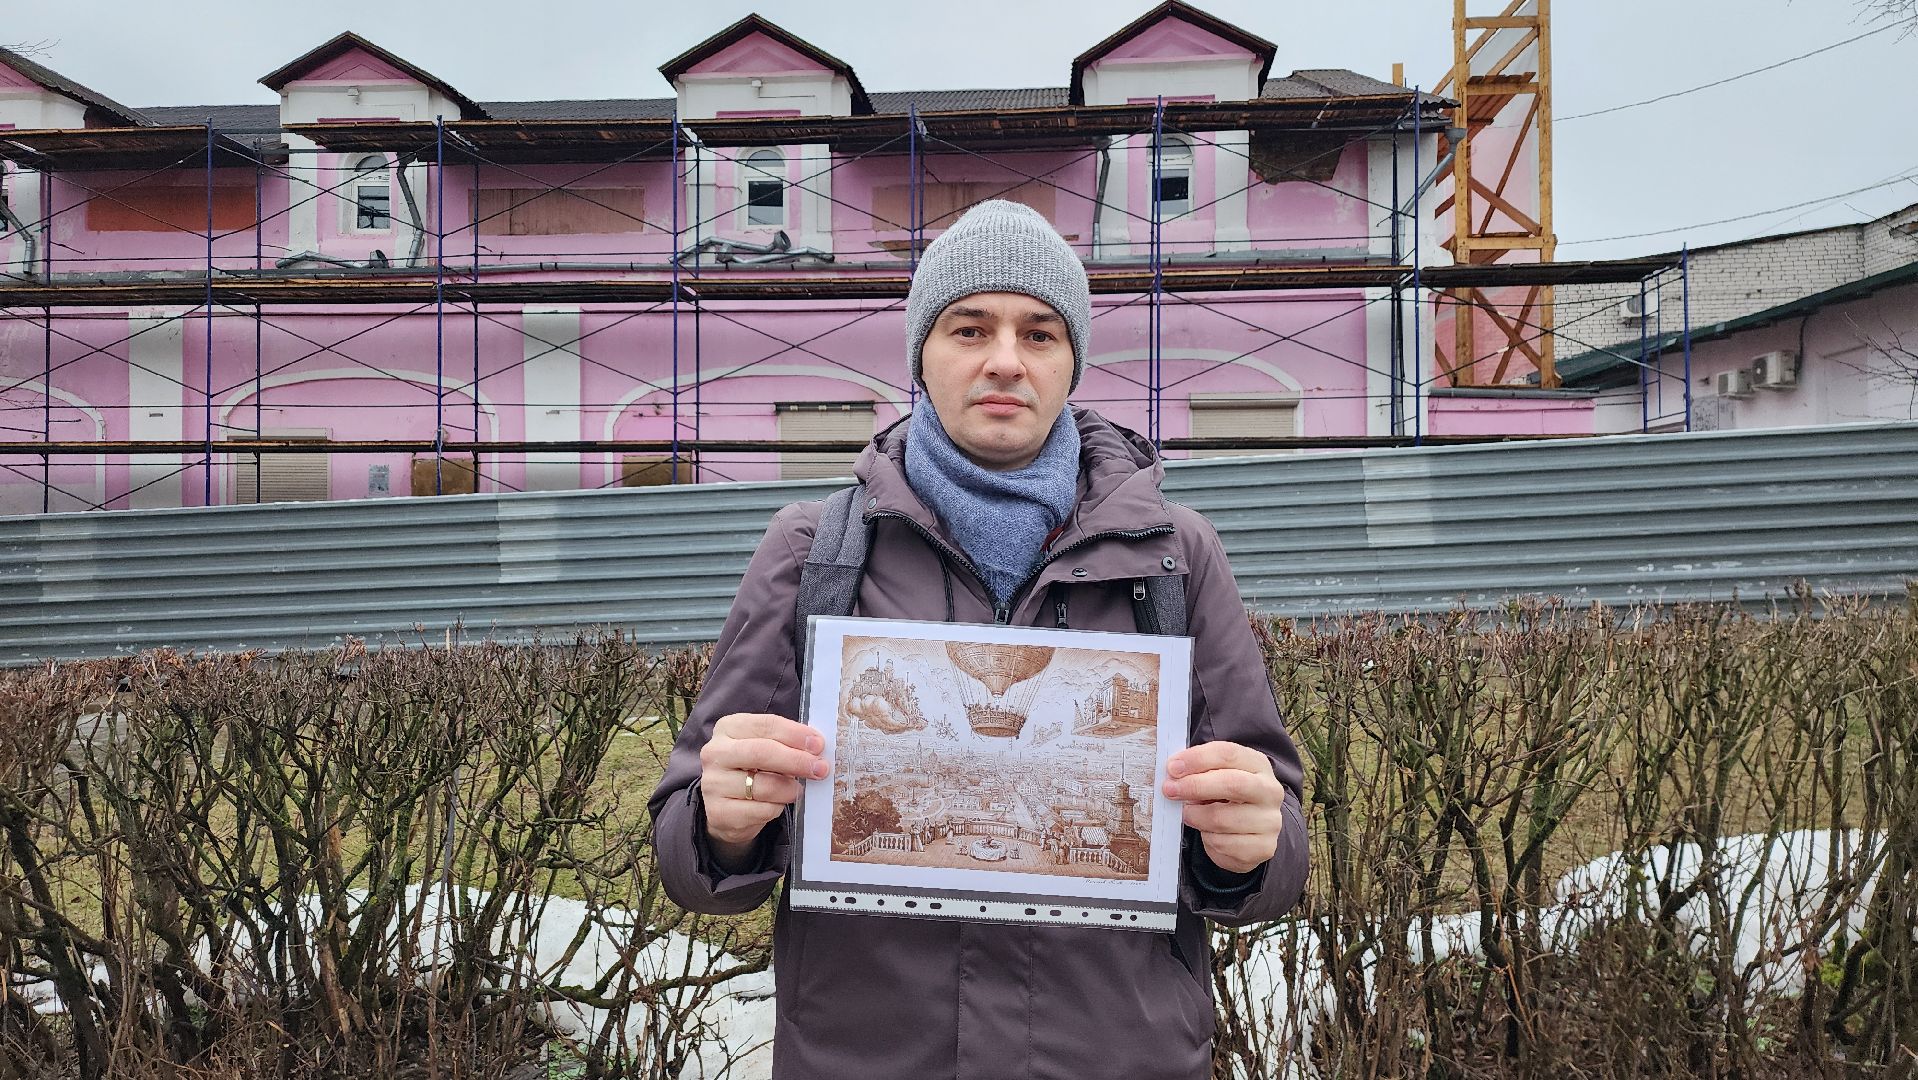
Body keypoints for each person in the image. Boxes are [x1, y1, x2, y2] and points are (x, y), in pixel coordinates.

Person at [648, 200, 1307, 1080]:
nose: (1005, 360)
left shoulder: (1174, 556)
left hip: (1114, 1057)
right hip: (869, 1059)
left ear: (1071, 361)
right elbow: (686, 849)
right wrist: (721, 824)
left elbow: (1276, 843)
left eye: (1039, 334)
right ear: (922, 354)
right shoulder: (817, 550)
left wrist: (1251, 845)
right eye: (969, 328)